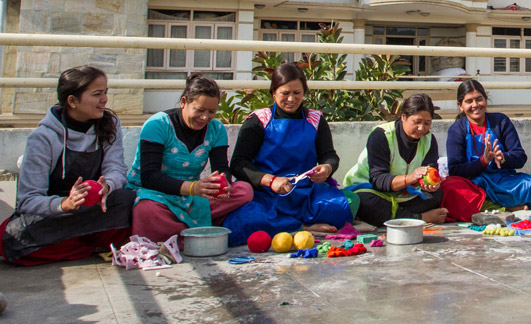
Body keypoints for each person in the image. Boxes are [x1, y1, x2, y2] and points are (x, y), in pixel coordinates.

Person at [0, 66, 135, 266]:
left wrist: (107, 186)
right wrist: (65, 204)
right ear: (72, 101)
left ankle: (78, 244)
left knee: (131, 200)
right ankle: (89, 245)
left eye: (105, 92)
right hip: (56, 214)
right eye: (97, 94)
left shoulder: (110, 124)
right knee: (11, 237)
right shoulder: (43, 138)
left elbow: (116, 169)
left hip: (96, 208)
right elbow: (27, 200)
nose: (105, 99)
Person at [223, 63, 354, 246]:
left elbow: (329, 155)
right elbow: (238, 163)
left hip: (306, 193)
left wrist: (327, 167)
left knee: (343, 207)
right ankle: (305, 227)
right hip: (266, 194)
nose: (291, 99)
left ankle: (287, 225)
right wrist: (270, 180)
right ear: (273, 92)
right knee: (245, 221)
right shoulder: (258, 121)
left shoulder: (315, 119)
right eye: (285, 93)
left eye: (297, 93)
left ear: (304, 92)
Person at [127, 74, 252, 242]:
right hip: (154, 194)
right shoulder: (158, 125)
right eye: (200, 110)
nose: (205, 117)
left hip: (192, 196)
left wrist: (223, 182)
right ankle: (197, 232)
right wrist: (193, 188)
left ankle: (176, 232)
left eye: (211, 112)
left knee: (244, 191)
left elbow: (221, 167)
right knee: (146, 210)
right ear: (183, 102)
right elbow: (149, 177)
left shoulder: (216, 129)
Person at [343, 93, 448, 226]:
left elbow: (431, 169)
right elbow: (378, 180)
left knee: (436, 195)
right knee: (365, 201)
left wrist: (432, 184)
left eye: (427, 123)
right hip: (372, 191)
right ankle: (419, 217)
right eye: (417, 122)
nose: (422, 128)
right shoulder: (381, 135)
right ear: (403, 117)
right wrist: (410, 178)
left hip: (405, 194)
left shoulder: (429, 139)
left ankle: (396, 216)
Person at [446, 79, 531, 215]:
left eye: (479, 99)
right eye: (469, 101)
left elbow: (520, 157)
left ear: (486, 98)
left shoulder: (500, 121)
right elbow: (455, 170)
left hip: (504, 180)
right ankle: (508, 209)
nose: (475, 105)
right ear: (460, 106)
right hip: (476, 182)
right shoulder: (457, 130)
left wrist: (503, 158)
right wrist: (483, 161)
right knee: (456, 189)